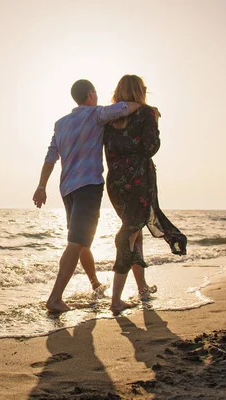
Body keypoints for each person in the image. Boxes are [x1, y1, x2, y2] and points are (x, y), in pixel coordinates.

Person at [33, 79, 142, 312]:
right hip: (88, 186)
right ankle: (54, 298)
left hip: (67, 189)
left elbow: (51, 157)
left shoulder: (60, 124)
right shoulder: (96, 114)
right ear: (91, 94)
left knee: (82, 242)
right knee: (77, 242)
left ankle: (95, 285)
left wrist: (41, 186)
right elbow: (123, 108)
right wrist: (141, 105)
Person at [103, 74, 187, 316]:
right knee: (129, 234)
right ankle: (116, 300)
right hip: (139, 179)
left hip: (116, 181)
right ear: (140, 91)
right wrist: (153, 122)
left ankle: (141, 288)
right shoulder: (147, 113)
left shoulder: (109, 119)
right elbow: (151, 148)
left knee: (135, 231)